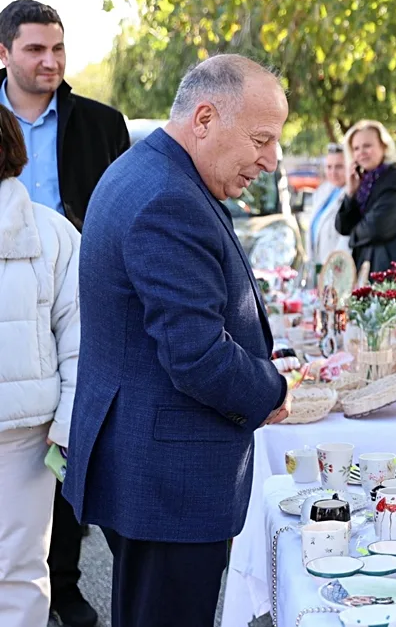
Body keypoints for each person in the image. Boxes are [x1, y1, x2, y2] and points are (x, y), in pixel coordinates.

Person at [63, 55, 293, 627]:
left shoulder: (152, 172)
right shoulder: (167, 196)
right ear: (206, 117)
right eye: (261, 139)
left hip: (154, 467)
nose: (269, 159)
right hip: (168, 477)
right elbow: (196, 356)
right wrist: (272, 388)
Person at [0, 0, 129, 626]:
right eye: (34, 49)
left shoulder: (101, 124)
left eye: (58, 49)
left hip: (74, 291)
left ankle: (68, 582)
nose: (50, 61)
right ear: (5, 53)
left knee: (65, 447)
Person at [0, 103, 80, 627]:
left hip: (24, 439)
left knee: (19, 571)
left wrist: (68, 423)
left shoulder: (51, 234)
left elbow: (80, 336)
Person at [335, 119, 396, 273]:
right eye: (356, 148)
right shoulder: (363, 184)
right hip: (367, 276)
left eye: (367, 146)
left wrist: (353, 235)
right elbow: (343, 227)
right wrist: (351, 193)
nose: (361, 152)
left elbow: (377, 228)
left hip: (392, 283)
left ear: (383, 146)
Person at [309, 142, 350, 270]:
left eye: (339, 167)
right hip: (319, 268)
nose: (333, 172)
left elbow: (346, 242)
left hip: (338, 271)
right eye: (329, 167)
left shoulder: (353, 196)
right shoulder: (323, 191)